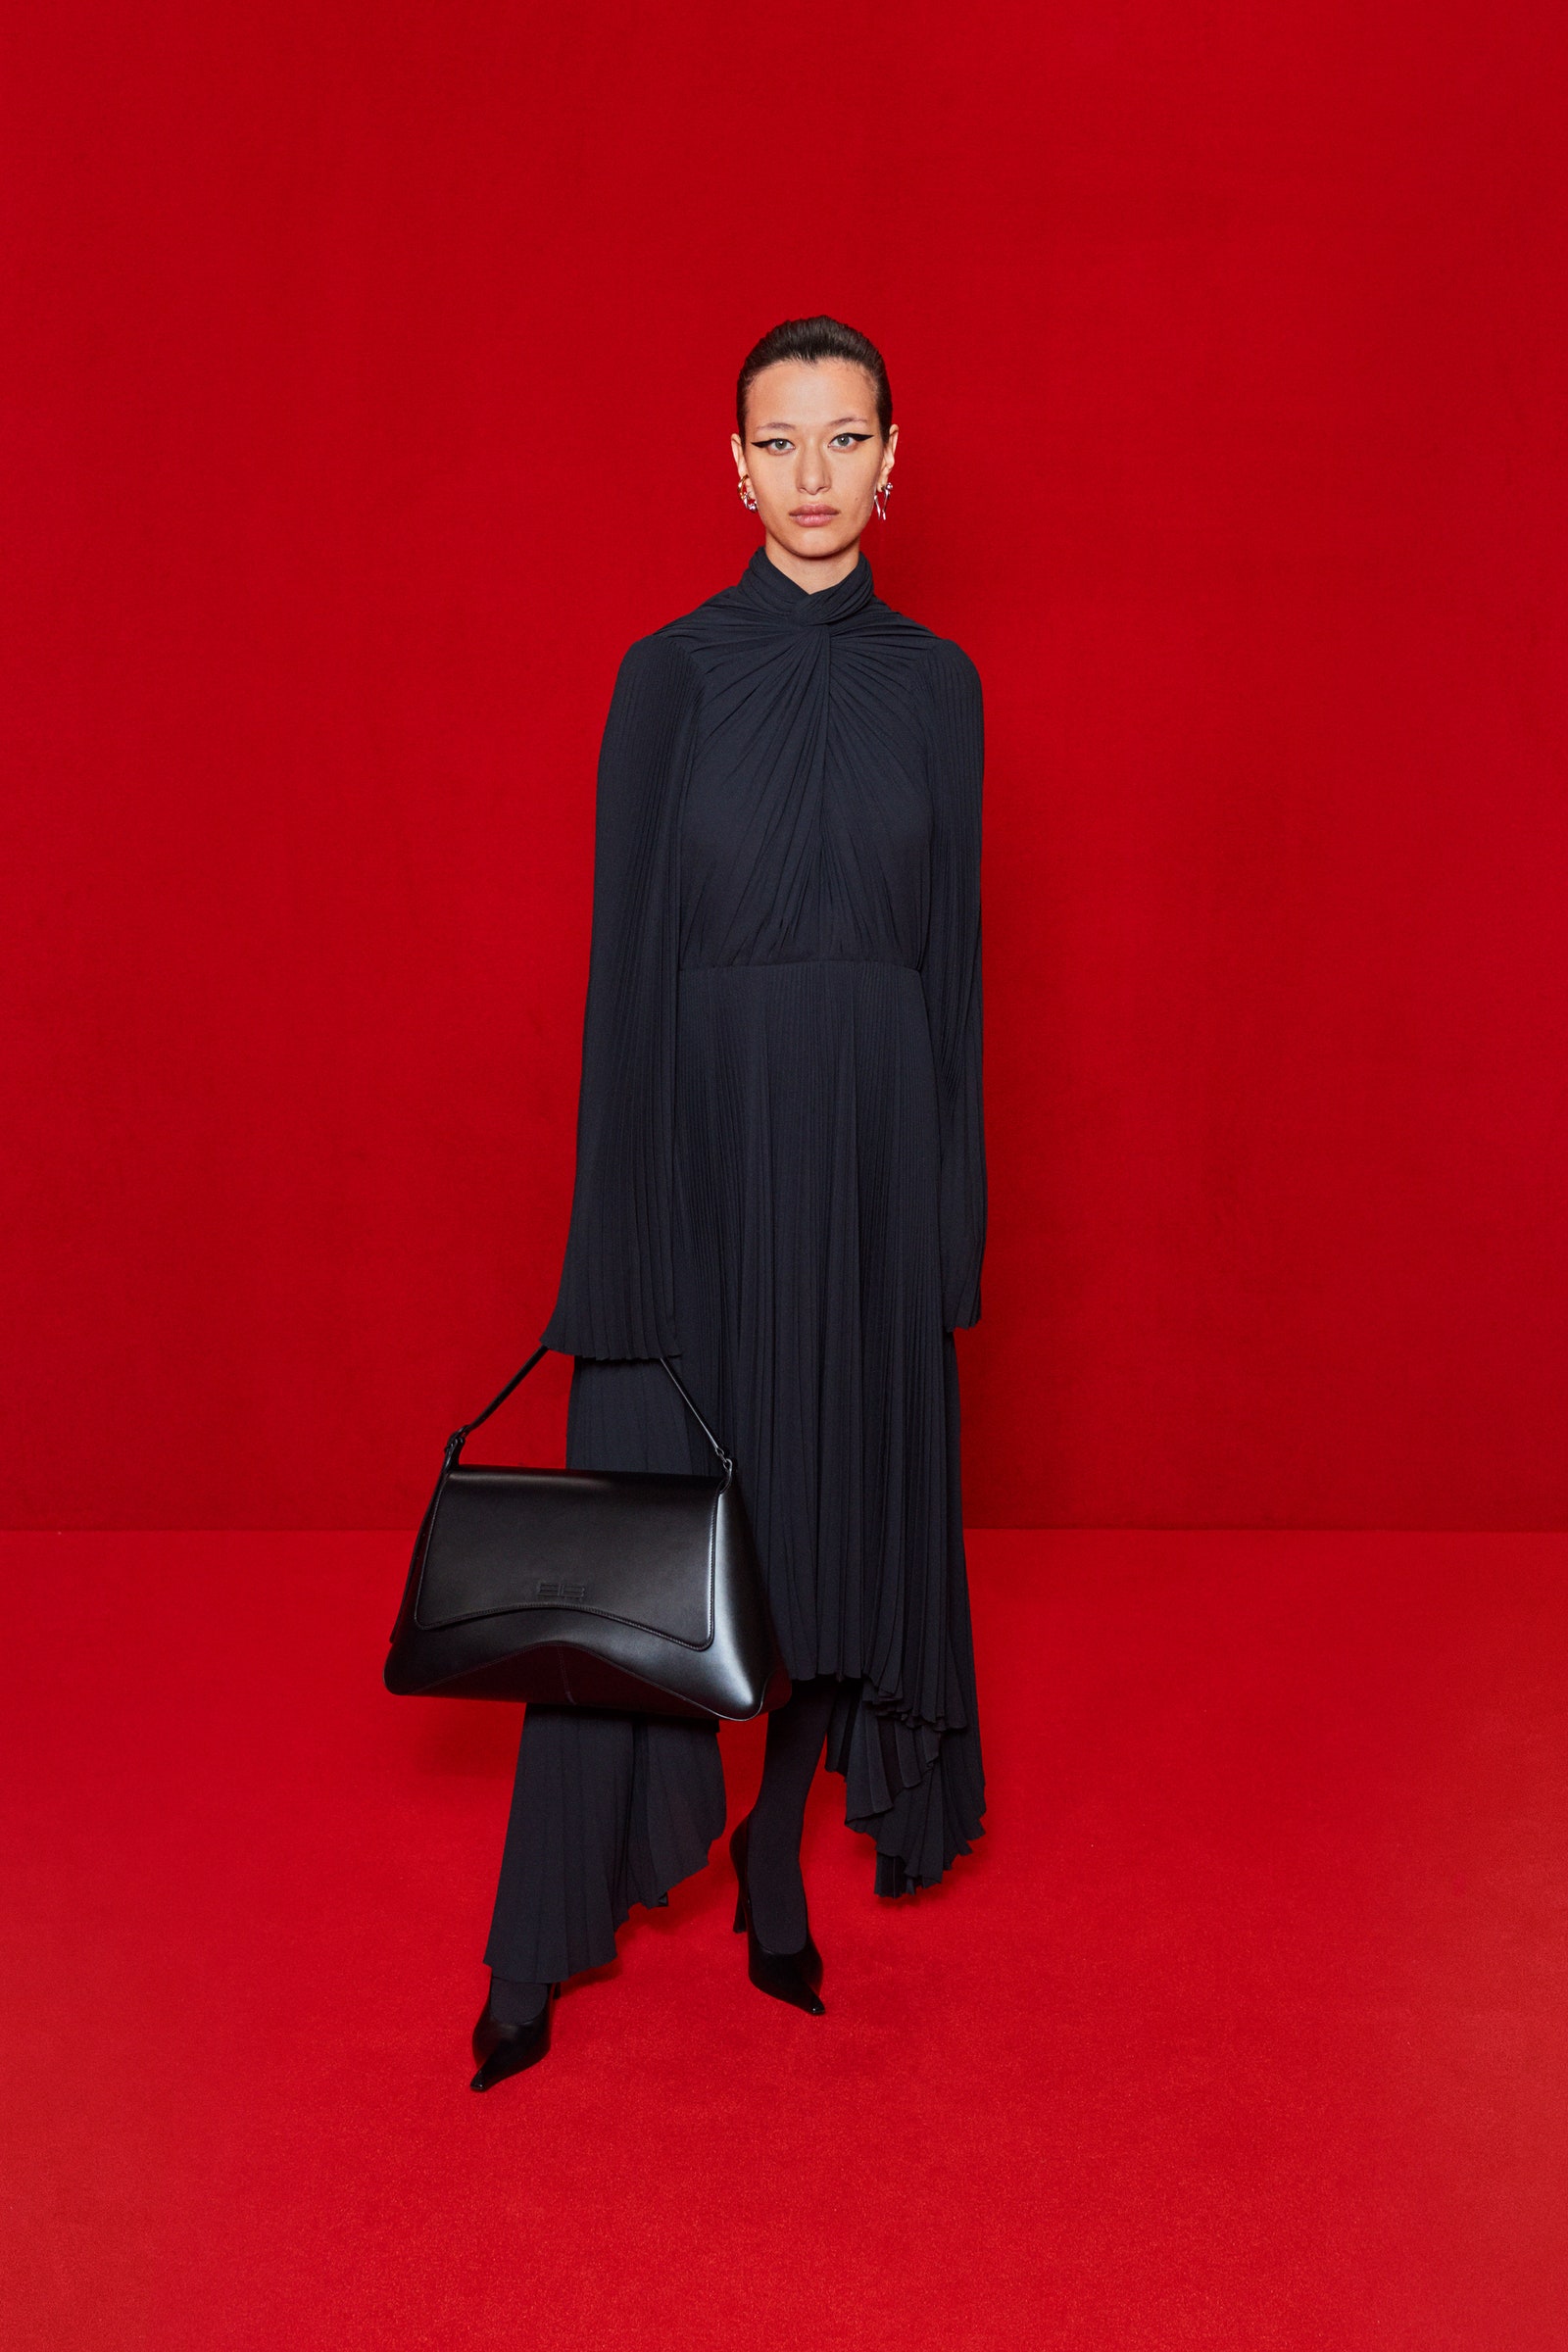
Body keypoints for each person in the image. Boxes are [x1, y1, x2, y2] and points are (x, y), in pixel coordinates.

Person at [470, 315, 987, 2088]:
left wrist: (945, 1228)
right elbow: (619, 975)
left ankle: (776, 1866)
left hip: (868, 1167)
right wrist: (611, 1236)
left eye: (847, 438)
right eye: (782, 441)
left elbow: (956, 978)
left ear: (894, 460)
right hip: (693, 1160)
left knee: (831, 1526)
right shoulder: (667, 677)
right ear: (737, 464)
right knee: (645, 1554)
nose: (815, 474)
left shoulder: (942, 688)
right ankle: (538, 1938)